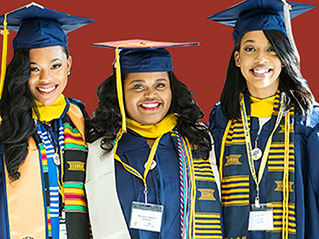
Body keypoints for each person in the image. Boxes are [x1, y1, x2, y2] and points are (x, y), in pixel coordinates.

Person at [207, 0, 319, 239]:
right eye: (250, 48)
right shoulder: (222, 119)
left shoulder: (314, 123)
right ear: (237, 58)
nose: (260, 59)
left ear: (285, 59)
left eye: (272, 49)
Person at [0, 3, 94, 238]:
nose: (46, 78)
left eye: (55, 66)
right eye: (34, 69)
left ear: (69, 65)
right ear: (21, 71)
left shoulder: (77, 117)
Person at [84, 39, 223, 239]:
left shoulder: (199, 141)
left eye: (160, 85)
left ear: (171, 90)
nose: (151, 95)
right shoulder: (99, 148)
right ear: (120, 92)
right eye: (138, 87)